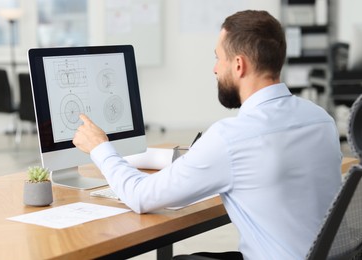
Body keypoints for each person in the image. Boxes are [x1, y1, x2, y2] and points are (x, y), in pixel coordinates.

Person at [73, 10, 342, 260]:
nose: (214, 68)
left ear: (239, 65)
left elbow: (141, 196)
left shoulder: (231, 137)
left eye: (218, 57)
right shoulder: (320, 119)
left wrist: (100, 147)